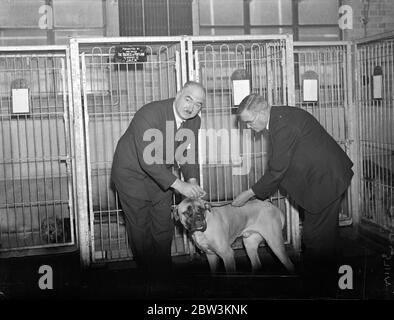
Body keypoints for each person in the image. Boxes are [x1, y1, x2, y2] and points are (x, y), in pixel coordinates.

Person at [232, 94, 354, 297]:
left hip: (326, 181)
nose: (247, 127)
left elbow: (277, 169)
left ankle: (318, 289)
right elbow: (284, 164)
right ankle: (340, 285)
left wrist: (249, 193)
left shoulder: (282, 125)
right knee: (326, 238)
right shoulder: (280, 118)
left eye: (249, 121)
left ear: (262, 112)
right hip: (325, 178)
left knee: (315, 239)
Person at [111, 81, 206, 294]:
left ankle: (162, 276)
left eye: (198, 104)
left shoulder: (193, 121)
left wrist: (191, 180)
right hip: (131, 176)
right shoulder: (150, 114)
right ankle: (148, 277)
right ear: (178, 93)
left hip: (160, 176)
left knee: (163, 227)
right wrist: (179, 184)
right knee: (141, 229)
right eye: (188, 98)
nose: (191, 107)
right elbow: (149, 161)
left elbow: (188, 155)